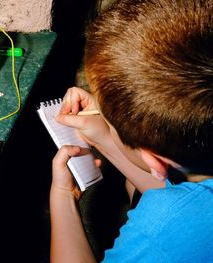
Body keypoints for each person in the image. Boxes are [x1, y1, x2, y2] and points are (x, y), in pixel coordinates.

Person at [49, 0, 213, 262]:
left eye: (108, 123)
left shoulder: (161, 228)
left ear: (155, 161)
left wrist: (62, 195)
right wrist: (106, 136)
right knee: (131, 185)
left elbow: (169, 205)